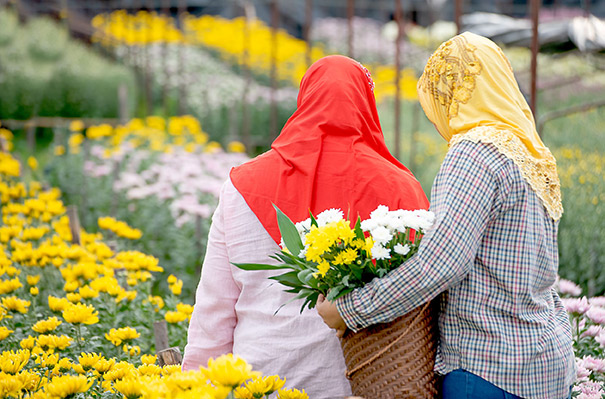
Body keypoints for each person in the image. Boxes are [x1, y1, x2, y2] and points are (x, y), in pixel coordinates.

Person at [317, 32, 577, 399]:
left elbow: (440, 264)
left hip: (490, 369)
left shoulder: (474, 153)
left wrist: (350, 310)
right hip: (546, 364)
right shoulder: (532, 155)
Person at [182, 55, 429, 398]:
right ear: (365, 105)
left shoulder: (242, 186)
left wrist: (196, 384)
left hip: (258, 378)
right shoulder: (399, 187)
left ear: (304, 99)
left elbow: (215, 304)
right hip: (356, 381)